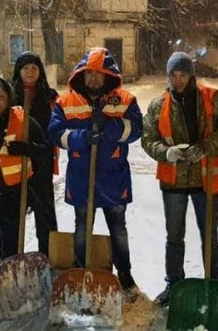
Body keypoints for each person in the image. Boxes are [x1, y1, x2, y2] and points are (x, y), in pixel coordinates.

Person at [140, 52, 218, 306]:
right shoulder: (157, 105)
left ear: (191, 75)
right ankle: (174, 284)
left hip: (204, 181)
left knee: (210, 237)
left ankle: (215, 286)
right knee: (174, 237)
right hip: (173, 182)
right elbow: (147, 138)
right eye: (173, 75)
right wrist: (166, 153)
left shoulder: (212, 99)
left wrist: (207, 147)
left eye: (183, 74)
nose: (178, 80)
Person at [47, 47, 143, 295]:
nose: (93, 78)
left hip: (113, 177)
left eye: (98, 74)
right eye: (89, 73)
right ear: (82, 73)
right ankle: (80, 271)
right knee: (82, 228)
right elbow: (55, 133)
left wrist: (110, 127)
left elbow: (136, 129)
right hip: (81, 177)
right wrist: (82, 137)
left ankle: (125, 275)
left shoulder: (124, 100)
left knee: (118, 229)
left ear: (107, 75)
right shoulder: (66, 101)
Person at [0, 75, 54, 297]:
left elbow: (46, 151)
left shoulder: (23, 118)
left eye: (0, 97)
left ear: (9, 98)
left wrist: (27, 148)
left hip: (14, 191)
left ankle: (9, 275)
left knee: (10, 235)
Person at [9, 51, 59, 257]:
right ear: (18, 71)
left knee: (44, 211)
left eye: (34, 68)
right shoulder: (10, 95)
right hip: (15, 162)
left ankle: (47, 254)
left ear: (40, 72)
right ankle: (12, 257)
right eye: (25, 68)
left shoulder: (49, 97)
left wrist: (37, 149)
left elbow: (56, 131)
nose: (30, 72)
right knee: (14, 212)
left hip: (41, 161)